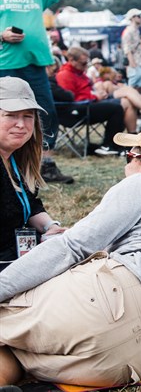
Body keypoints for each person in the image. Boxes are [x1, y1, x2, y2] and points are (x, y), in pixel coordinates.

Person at [0, 124, 141, 387]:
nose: (126, 166)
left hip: (111, 302)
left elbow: (71, 247)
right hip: (139, 356)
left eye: (129, 156)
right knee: (17, 352)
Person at [0, 0, 74, 184]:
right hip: (6, 62)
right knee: (5, 114)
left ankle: (45, 163)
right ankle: (6, 165)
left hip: (35, 62)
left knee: (45, 111)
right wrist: (2, 35)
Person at [0, 77, 66, 272]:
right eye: (11, 115)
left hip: (18, 259)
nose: (21, 124)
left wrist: (50, 227)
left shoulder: (16, 159)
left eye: (28, 116)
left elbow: (30, 204)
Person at [56, 46, 141, 150]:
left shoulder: (79, 73)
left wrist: (97, 90)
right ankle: (135, 132)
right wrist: (94, 95)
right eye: (83, 63)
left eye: (86, 63)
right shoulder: (64, 75)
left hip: (92, 101)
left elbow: (85, 90)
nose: (85, 67)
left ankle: (135, 135)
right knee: (123, 103)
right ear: (71, 60)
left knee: (128, 94)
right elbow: (71, 99)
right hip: (81, 108)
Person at [121, 8, 141, 91]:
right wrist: (132, 64)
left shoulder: (136, 31)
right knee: (133, 87)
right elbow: (127, 49)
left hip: (139, 62)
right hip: (135, 63)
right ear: (132, 18)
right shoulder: (129, 31)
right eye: (139, 16)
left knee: (140, 87)